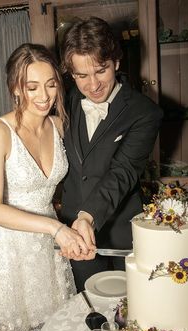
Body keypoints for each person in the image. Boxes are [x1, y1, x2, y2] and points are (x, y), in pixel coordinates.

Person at [0, 43, 95, 331]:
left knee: (55, 319)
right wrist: (56, 228)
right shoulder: (0, 132)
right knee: (13, 326)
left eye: (51, 84)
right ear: (16, 87)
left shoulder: (58, 126)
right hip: (8, 241)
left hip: (47, 241)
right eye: (32, 87)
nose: (44, 96)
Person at [60, 17, 163, 292]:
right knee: (86, 317)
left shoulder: (144, 112)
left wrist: (88, 217)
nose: (92, 85)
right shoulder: (63, 100)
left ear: (116, 62)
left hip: (122, 238)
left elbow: (123, 171)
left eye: (100, 71)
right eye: (81, 75)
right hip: (75, 236)